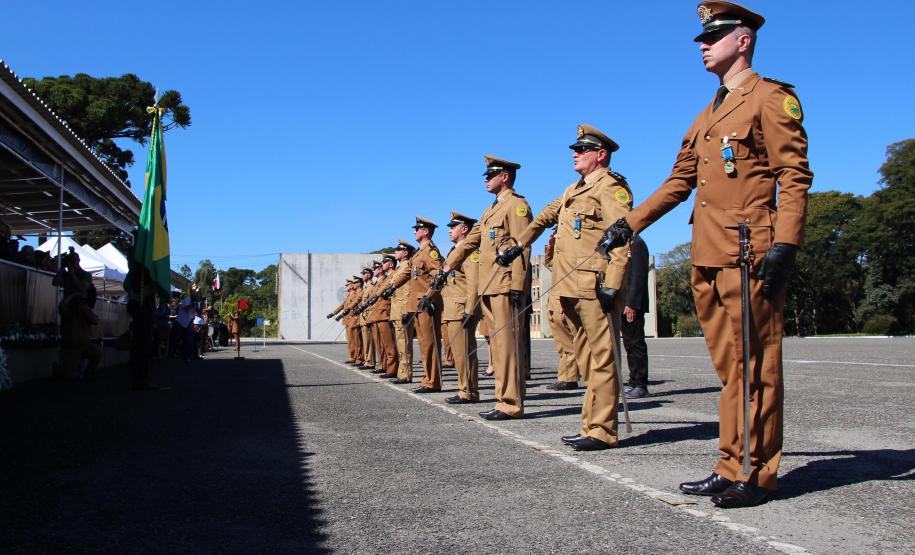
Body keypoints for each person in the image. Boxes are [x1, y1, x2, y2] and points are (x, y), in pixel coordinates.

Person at [598, 1, 811, 507]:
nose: (702, 44)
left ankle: (757, 474)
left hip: (748, 253)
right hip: (707, 255)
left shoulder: (770, 99)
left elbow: (794, 174)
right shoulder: (705, 116)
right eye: (701, 37)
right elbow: (679, 182)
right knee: (730, 370)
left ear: (743, 40)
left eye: (713, 36)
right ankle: (731, 462)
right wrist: (628, 224)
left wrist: (786, 242)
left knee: (756, 366)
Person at [498, 124, 631, 450]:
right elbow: (544, 217)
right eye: (575, 149)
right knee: (586, 360)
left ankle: (602, 430)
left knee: (601, 359)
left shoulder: (611, 188)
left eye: (581, 150)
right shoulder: (574, 189)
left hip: (594, 285)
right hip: (569, 286)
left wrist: (614, 283)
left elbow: (624, 234)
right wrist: (519, 243)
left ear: (600, 155)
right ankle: (591, 425)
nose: (574, 153)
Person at [441, 156, 532, 420]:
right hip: (490, 287)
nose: (485, 178)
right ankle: (503, 399)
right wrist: (447, 267)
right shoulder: (489, 211)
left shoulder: (517, 206)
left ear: (505, 176)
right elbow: (470, 243)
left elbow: (523, 246)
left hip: (506, 286)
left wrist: (518, 284)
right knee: (499, 346)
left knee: (508, 345)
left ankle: (512, 402)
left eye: (490, 174)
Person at [440, 212, 480, 404]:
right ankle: (464, 388)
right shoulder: (454, 251)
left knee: (464, 352)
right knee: (458, 353)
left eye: (453, 227)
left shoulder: (469, 252)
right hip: (452, 308)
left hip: (461, 308)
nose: (449, 230)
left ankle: (468, 391)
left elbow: (473, 283)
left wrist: (470, 309)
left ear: (464, 229)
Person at [404, 216, 444, 393]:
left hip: (427, 304)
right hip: (418, 304)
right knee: (422, 343)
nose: (414, 231)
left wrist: (430, 296)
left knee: (430, 343)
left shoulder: (430, 252)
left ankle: (433, 381)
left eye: (417, 229)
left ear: (426, 231)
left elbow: (438, 276)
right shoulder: (418, 253)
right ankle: (428, 379)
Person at [543, 229, 584, 390]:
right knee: (561, 343)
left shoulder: (572, 249)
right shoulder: (559, 253)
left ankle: (570, 377)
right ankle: (564, 375)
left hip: (564, 296)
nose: (555, 235)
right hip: (554, 297)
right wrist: (551, 246)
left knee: (569, 342)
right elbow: (549, 263)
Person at [622, 234, 650, 399]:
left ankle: (641, 384)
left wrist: (632, 303)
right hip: (623, 302)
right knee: (629, 345)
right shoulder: (624, 244)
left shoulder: (637, 244)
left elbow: (638, 276)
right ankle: (633, 381)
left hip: (633, 303)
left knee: (636, 344)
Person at [384, 239, 416, 383]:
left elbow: (408, 290)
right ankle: (402, 372)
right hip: (397, 309)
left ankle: (406, 374)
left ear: (405, 252)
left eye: (398, 250)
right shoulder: (400, 268)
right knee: (400, 342)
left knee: (404, 343)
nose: (396, 252)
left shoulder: (407, 266)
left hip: (403, 309)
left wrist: (407, 310)